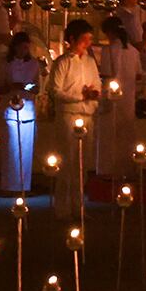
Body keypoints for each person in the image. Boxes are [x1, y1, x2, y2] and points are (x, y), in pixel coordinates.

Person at [45, 19, 102, 221]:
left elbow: (97, 83)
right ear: (72, 39)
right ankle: (62, 208)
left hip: (87, 116)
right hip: (68, 116)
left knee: (82, 164)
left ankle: (78, 207)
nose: (87, 44)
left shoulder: (89, 61)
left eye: (89, 40)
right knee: (67, 163)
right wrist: (80, 97)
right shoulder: (62, 62)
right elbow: (55, 91)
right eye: (84, 39)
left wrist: (93, 93)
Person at [95, 14, 142, 177]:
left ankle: (108, 171)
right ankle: (128, 170)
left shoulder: (108, 50)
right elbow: (138, 75)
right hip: (129, 100)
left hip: (112, 99)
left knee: (110, 137)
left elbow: (107, 74)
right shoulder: (134, 51)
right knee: (127, 135)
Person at [0, 32, 43, 194]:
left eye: (27, 47)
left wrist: (25, 86)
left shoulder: (34, 64)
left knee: (26, 148)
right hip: (10, 108)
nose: (25, 50)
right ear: (15, 47)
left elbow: (37, 87)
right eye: (22, 46)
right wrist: (11, 86)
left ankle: (24, 185)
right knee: (10, 148)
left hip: (27, 108)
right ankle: (9, 185)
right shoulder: (5, 64)